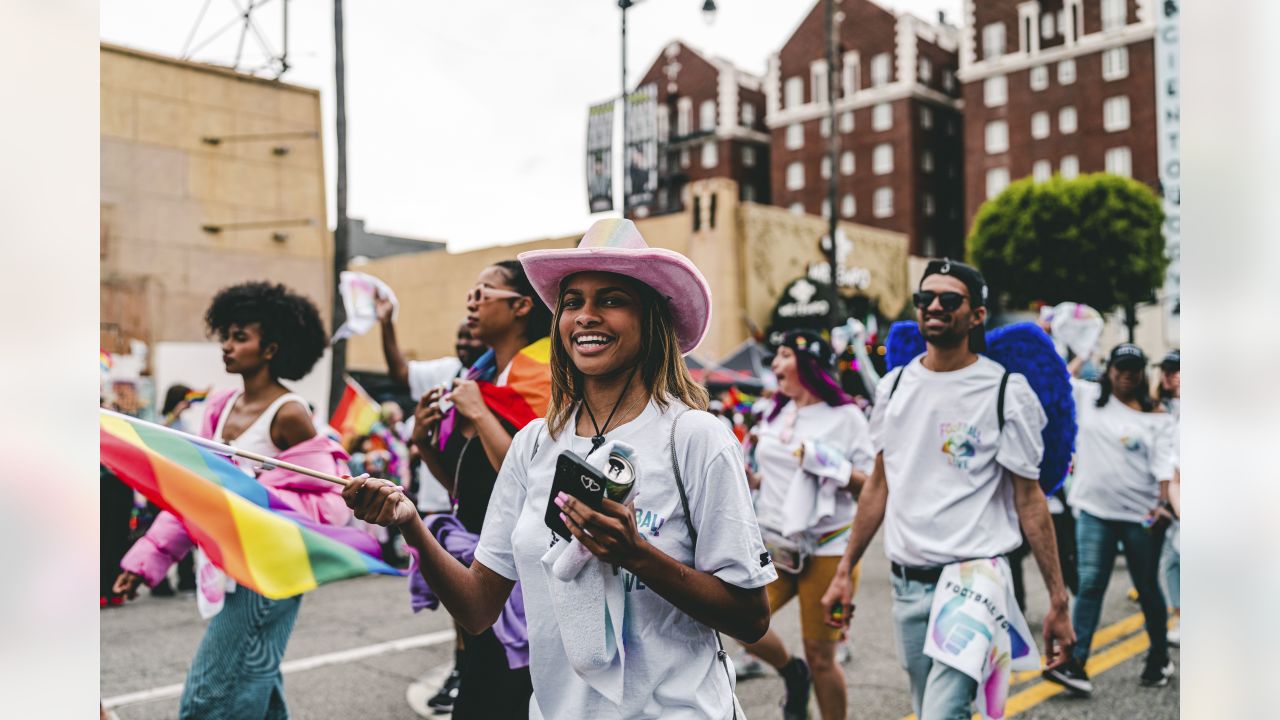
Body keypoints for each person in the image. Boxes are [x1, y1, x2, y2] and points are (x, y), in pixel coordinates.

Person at [344, 218, 776, 718]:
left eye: (611, 300)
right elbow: (479, 608)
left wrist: (637, 555)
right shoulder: (533, 445)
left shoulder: (695, 437)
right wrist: (410, 523)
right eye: (572, 302)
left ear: (650, 317)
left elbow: (751, 618)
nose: (585, 316)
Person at [820, 259, 1074, 719]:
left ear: (976, 314)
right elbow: (879, 485)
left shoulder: (1005, 391)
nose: (934, 306)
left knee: (940, 713)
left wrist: (1058, 597)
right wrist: (844, 570)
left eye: (949, 299)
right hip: (907, 584)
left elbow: (1030, 498)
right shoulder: (894, 387)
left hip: (974, 580)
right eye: (926, 298)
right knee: (927, 707)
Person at [114, 281, 348, 720]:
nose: (226, 345)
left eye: (241, 337)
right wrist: (144, 562)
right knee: (256, 685)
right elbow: (195, 491)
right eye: (226, 334)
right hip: (227, 570)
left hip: (267, 573)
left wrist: (254, 498)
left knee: (209, 698)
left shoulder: (290, 414)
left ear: (272, 348)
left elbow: (328, 501)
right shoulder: (219, 407)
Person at [403, 259, 553, 718]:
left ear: (522, 306)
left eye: (482, 293)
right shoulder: (482, 379)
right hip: (484, 565)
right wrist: (424, 446)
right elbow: (472, 492)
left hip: (522, 578)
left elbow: (531, 481)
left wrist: (481, 412)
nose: (471, 303)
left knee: (508, 700)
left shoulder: (547, 375)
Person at [740, 330, 873, 720]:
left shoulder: (846, 417)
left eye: (783, 355)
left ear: (809, 364)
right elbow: (779, 476)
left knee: (821, 656)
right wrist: (754, 480)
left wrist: (829, 463)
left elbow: (871, 488)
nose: (774, 365)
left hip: (828, 548)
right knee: (742, 622)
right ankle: (790, 672)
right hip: (777, 545)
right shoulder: (774, 411)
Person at [1043, 344, 1177, 694]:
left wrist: (1164, 505)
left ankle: (1159, 657)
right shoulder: (1088, 398)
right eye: (1120, 367)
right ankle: (1075, 662)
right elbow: (1056, 376)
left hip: (1141, 517)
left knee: (1148, 588)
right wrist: (1082, 351)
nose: (1127, 374)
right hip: (1094, 513)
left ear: (1142, 371)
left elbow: (1165, 466)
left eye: (1134, 367)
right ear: (1109, 369)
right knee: (1089, 585)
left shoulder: (1157, 416)